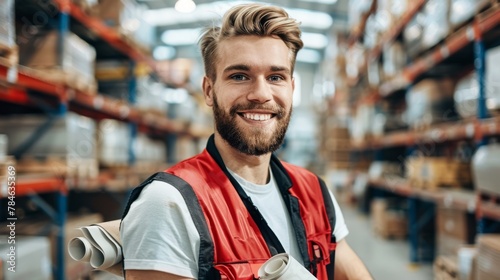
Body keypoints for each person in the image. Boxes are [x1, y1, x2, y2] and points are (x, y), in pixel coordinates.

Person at [120, 3, 372, 280]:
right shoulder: (170, 203)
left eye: (276, 77)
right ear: (209, 91)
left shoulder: (314, 192)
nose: (261, 94)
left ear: (291, 88)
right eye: (239, 76)